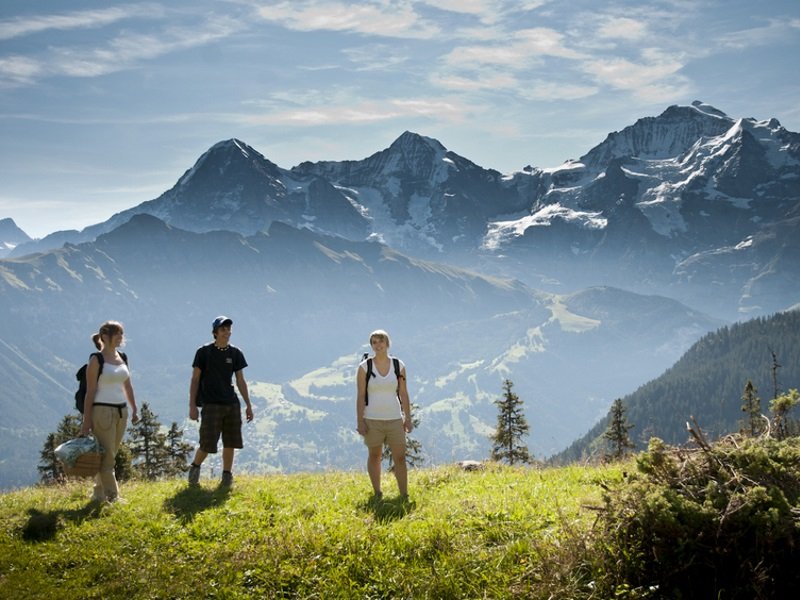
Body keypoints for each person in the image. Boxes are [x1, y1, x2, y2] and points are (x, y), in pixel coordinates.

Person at [188, 316, 253, 487]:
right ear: (215, 332)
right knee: (207, 442)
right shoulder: (204, 352)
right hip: (210, 403)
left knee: (230, 441)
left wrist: (248, 405)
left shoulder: (235, 353)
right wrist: (192, 405)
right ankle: (195, 468)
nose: (227, 332)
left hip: (231, 403)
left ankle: (226, 476)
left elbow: (240, 380)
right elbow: (195, 379)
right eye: (223, 329)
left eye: (228, 329)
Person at [80, 320, 139, 503]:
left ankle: (98, 495)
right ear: (105, 337)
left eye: (122, 333)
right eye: (118, 334)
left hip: (121, 411)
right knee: (108, 459)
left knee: (110, 453)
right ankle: (113, 498)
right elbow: (90, 393)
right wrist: (86, 421)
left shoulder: (122, 357)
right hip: (102, 411)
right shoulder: (96, 360)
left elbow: (127, 385)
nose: (121, 337)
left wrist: (134, 408)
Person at [356, 329, 413, 500]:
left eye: (381, 341)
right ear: (371, 345)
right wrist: (360, 421)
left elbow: (403, 393)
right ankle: (377, 492)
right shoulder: (364, 367)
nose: (378, 345)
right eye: (374, 342)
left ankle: (404, 494)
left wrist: (407, 418)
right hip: (372, 419)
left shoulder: (398, 366)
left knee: (400, 458)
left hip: (395, 418)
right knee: (375, 456)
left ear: (387, 343)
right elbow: (360, 395)